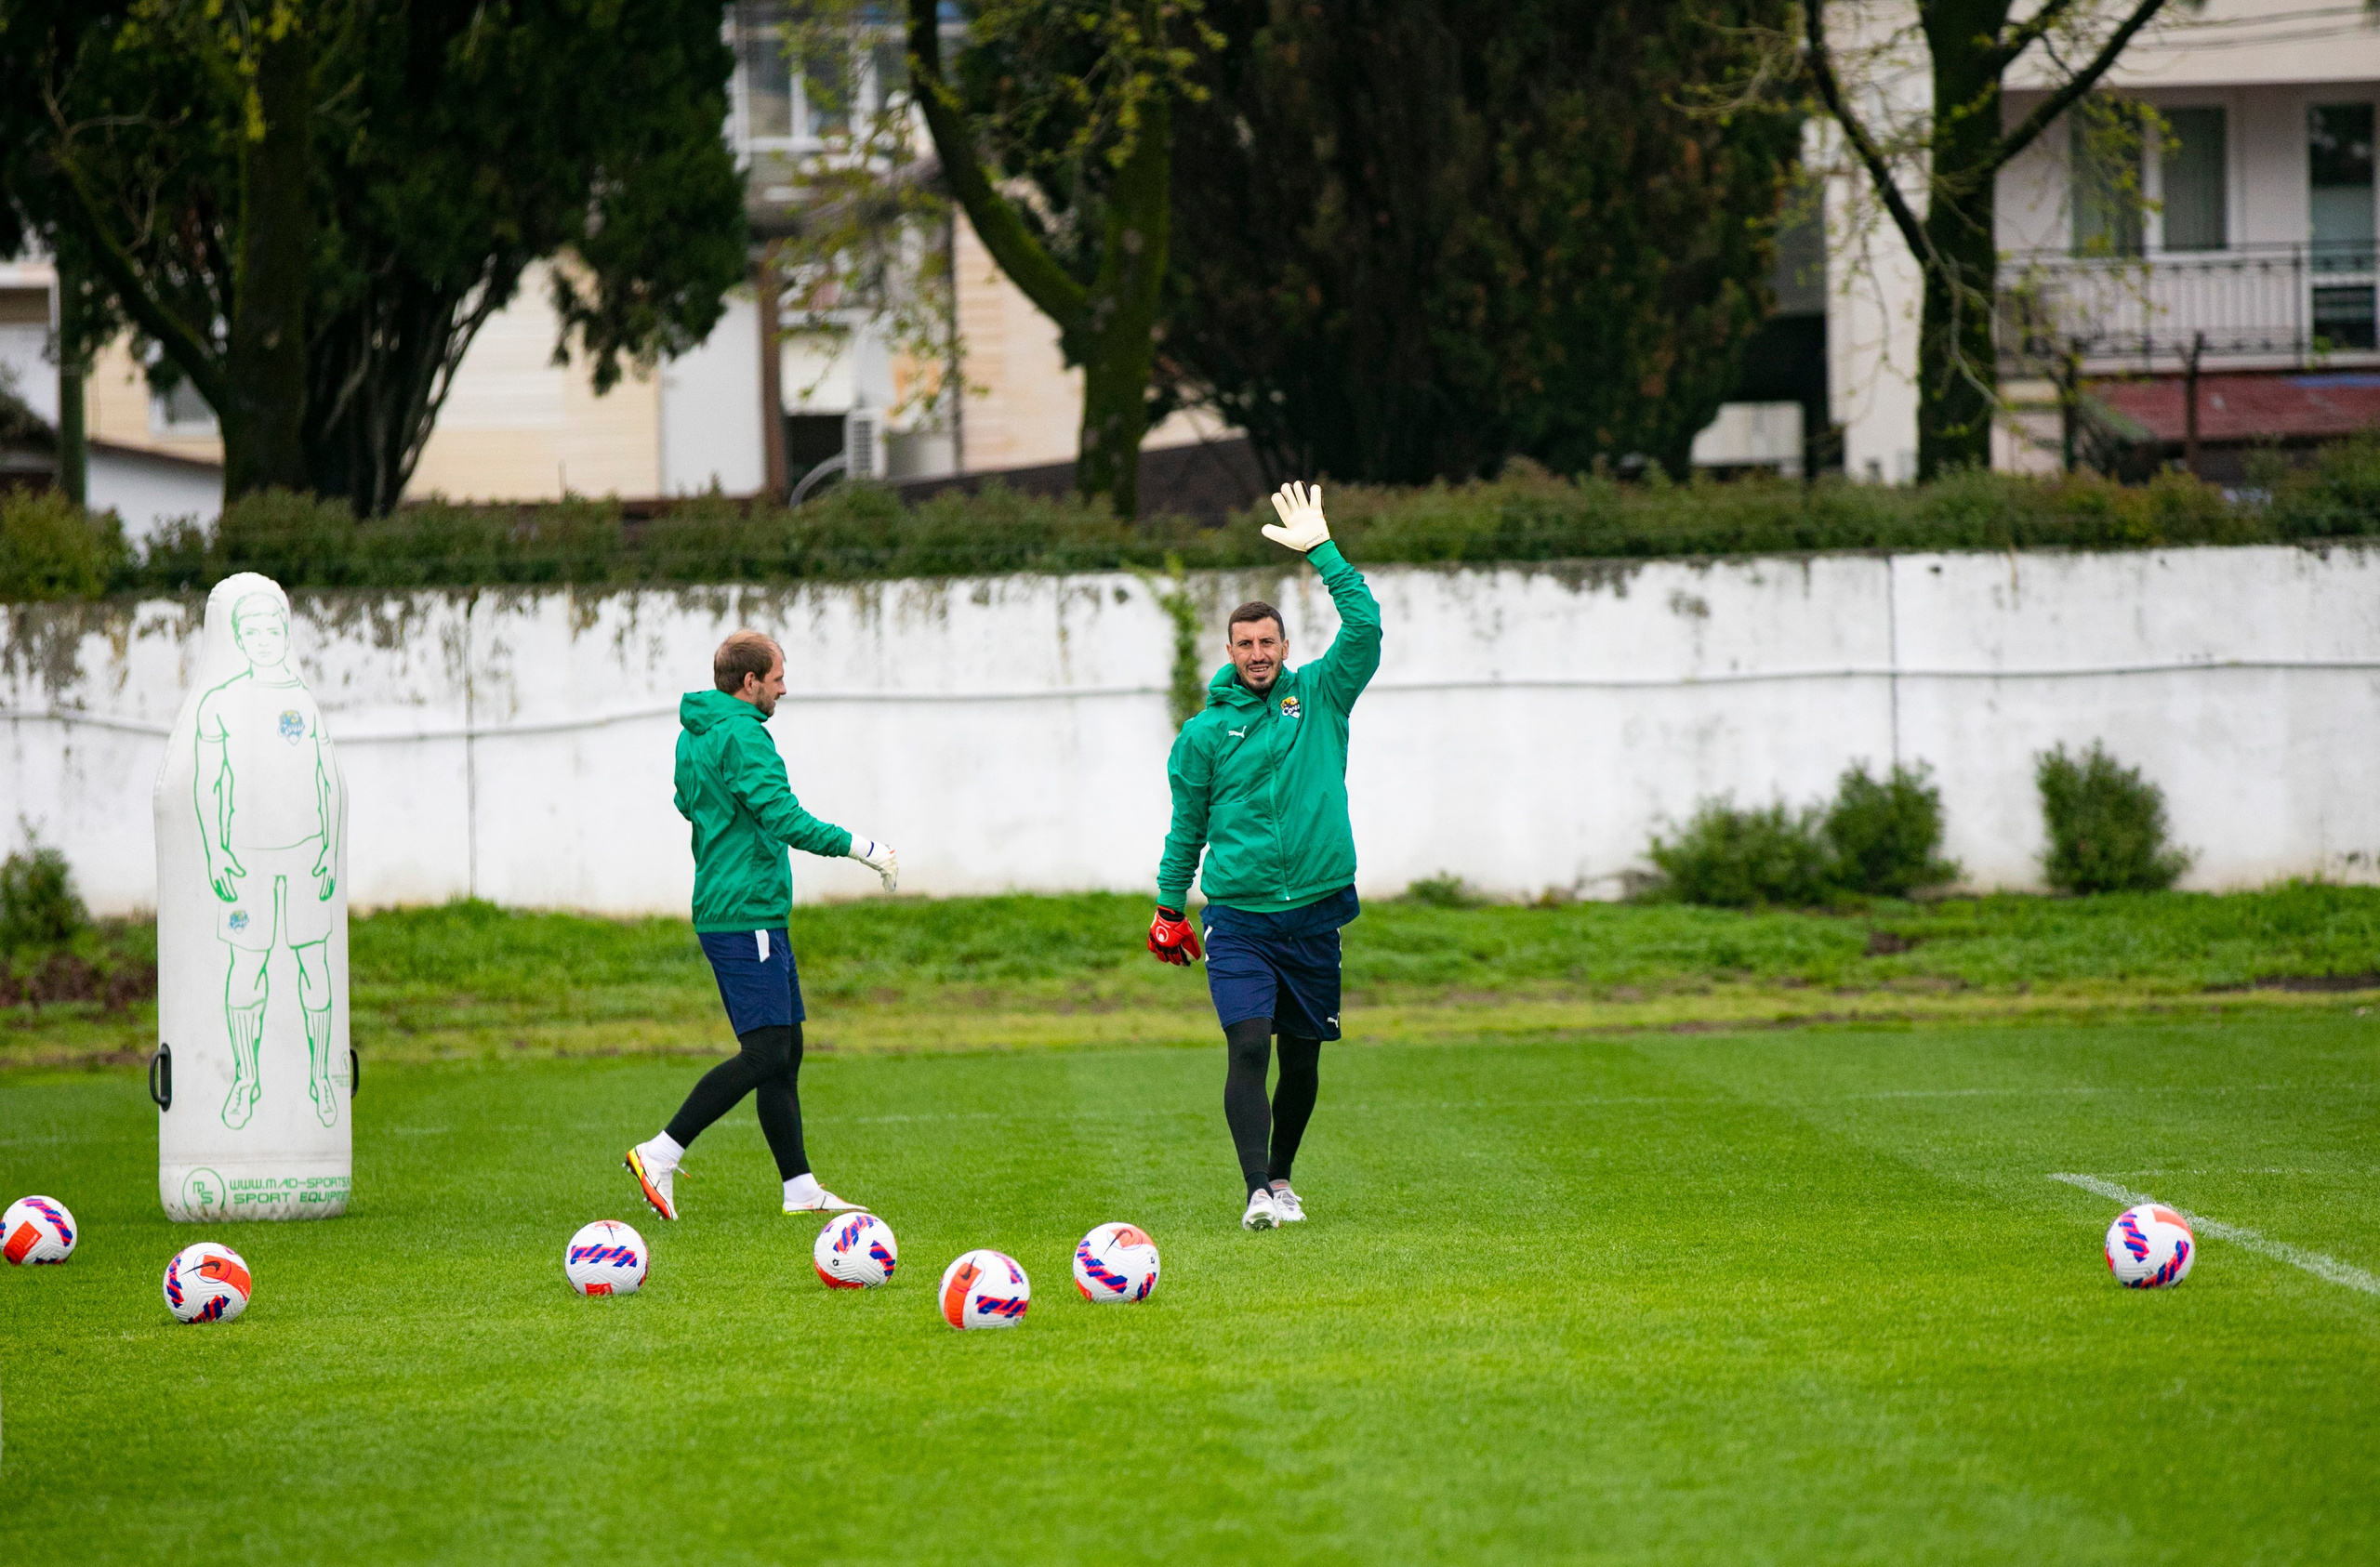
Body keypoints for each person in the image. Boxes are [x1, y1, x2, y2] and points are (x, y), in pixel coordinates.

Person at [1148, 482, 1381, 1230]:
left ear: (1285, 647)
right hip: (1240, 916)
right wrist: (1166, 905)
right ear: (1229, 652)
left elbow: (1367, 625)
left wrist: (1323, 551)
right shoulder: (1203, 735)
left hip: (1315, 913)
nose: (1256, 654)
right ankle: (1255, 1191)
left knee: (1303, 1061)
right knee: (1248, 1045)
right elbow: (1187, 829)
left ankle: (1282, 1179)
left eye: (1267, 643)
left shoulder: (1320, 696)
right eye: (1244, 644)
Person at [625, 630, 900, 1221]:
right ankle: (660, 1152)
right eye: (777, 678)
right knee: (765, 1051)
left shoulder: (696, 733)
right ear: (749, 683)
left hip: (740, 906)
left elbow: (687, 801)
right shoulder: (745, 735)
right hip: (745, 908)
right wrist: (861, 846)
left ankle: (799, 1188)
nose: (783, 688)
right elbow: (784, 817)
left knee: (786, 1048)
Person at [192, 591, 346, 1130]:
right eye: (252, 632)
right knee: (246, 969)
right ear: (240, 639)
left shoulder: (304, 702)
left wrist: (328, 848)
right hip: (249, 862)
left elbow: (328, 780)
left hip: (305, 856)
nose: (263, 641)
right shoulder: (221, 703)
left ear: (286, 635)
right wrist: (216, 852)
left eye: (272, 631)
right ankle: (245, 1080)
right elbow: (209, 784)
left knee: (314, 965)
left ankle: (321, 1081)